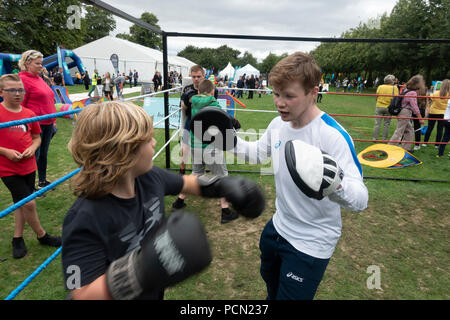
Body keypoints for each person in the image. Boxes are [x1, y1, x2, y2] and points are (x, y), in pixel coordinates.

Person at [61, 101, 264, 300]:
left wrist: (221, 186)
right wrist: (140, 271)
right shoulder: (85, 218)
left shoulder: (149, 178)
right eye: (148, 139)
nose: (154, 142)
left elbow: (188, 183)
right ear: (124, 151)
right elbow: (80, 293)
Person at [231, 52, 368, 300]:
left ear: (313, 93)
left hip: (312, 242)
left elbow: (361, 199)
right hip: (278, 228)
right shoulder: (277, 125)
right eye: (276, 94)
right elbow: (258, 155)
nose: (280, 103)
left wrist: (333, 184)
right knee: (271, 291)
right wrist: (224, 139)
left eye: (289, 96)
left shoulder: (332, 135)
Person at [0, 74, 61, 259]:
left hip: (28, 165)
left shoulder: (29, 114)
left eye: (20, 90)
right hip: (7, 168)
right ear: (1, 92)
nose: (17, 93)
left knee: (20, 203)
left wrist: (32, 148)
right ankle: (42, 235)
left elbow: (37, 137)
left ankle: (17, 238)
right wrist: (5, 152)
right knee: (29, 202)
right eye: (12, 90)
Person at [174, 79, 237, 224]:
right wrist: (233, 122)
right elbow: (223, 120)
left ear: (198, 91)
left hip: (195, 144)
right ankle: (226, 211)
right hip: (211, 146)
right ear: (212, 91)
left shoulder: (193, 103)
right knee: (223, 176)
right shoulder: (214, 104)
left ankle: (178, 202)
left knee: (196, 173)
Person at [172, 65, 216, 209]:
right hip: (190, 124)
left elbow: (213, 105)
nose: (196, 79)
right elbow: (183, 106)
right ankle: (182, 175)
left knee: (207, 153)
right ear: (191, 76)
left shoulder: (211, 88)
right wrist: (191, 98)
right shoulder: (187, 90)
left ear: (204, 75)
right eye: (194, 76)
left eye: (199, 76)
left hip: (206, 127)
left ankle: (205, 177)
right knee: (185, 153)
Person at [18, 50, 57, 190]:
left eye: (41, 63)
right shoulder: (22, 79)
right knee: (34, 154)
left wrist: (53, 120)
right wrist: (25, 125)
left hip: (47, 122)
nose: (41, 66)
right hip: (35, 124)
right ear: (27, 63)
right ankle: (30, 187)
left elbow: (49, 98)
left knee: (43, 154)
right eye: (38, 63)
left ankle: (42, 181)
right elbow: (20, 105)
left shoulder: (38, 78)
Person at [388, 75, 425, 152]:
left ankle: (406, 148)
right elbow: (414, 106)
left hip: (402, 112)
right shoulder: (413, 93)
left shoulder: (406, 89)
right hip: (405, 112)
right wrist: (420, 118)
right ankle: (390, 148)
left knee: (410, 130)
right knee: (399, 131)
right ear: (418, 84)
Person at [423, 79, 450, 148]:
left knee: (430, 127)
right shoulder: (448, 94)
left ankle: (425, 143)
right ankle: (437, 145)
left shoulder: (436, 93)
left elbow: (430, 98)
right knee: (440, 129)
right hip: (443, 113)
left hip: (433, 112)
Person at [373, 74, 399, 142]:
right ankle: (384, 139)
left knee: (377, 123)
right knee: (386, 124)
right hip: (389, 108)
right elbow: (396, 99)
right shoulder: (394, 88)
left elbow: (376, 97)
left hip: (379, 106)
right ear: (392, 81)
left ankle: (375, 138)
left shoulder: (380, 87)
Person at [413, 85, 428, 150]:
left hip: (417, 109)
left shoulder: (416, 90)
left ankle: (417, 144)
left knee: (417, 128)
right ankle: (417, 144)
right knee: (416, 127)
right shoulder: (423, 91)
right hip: (418, 109)